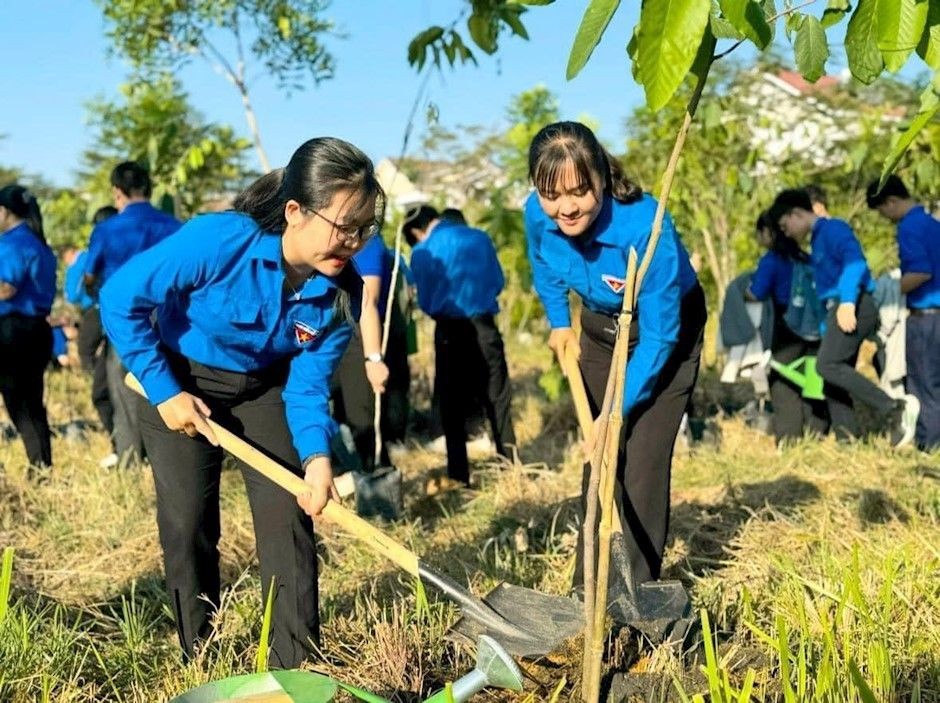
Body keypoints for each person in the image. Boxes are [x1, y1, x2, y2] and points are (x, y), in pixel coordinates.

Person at [99, 137, 385, 668]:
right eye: (344, 225)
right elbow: (119, 298)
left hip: (261, 390)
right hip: (178, 379)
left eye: (364, 229)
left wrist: (317, 459)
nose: (353, 242)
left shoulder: (338, 296)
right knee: (188, 522)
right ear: (295, 211)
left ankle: (296, 665)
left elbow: (306, 389)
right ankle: (199, 651)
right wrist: (166, 391)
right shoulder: (220, 240)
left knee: (289, 514)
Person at [524, 121, 706, 592]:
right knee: (600, 454)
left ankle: (637, 594)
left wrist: (615, 410)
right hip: (600, 330)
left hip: (663, 334)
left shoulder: (646, 227)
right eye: (551, 195)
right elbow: (543, 265)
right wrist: (559, 322)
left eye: (579, 192)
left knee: (642, 459)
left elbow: (662, 335)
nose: (566, 208)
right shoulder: (537, 214)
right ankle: (587, 589)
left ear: (602, 178)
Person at [770, 188, 918, 445]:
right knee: (832, 381)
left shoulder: (833, 229)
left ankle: (895, 408)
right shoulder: (817, 240)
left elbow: (856, 262)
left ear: (797, 214)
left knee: (826, 365)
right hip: (839, 308)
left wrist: (848, 302)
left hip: (856, 304)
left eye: (785, 226)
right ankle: (848, 442)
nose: (787, 233)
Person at [402, 204, 516, 489]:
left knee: (451, 404)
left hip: (449, 330)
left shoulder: (422, 251)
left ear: (417, 230)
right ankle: (510, 465)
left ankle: (459, 475)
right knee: (498, 396)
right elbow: (498, 282)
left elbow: (425, 300)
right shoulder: (480, 237)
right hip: (484, 325)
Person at [86, 163, 182, 466]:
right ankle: (167, 458)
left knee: (124, 390)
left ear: (117, 191)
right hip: (169, 320)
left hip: (126, 321)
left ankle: (131, 461)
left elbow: (89, 275)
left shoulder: (106, 230)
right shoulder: (173, 225)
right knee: (168, 385)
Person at [867, 175, 939, 450]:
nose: (884, 217)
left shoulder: (909, 227)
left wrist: (892, 288)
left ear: (891, 202)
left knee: (924, 385)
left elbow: (920, 272)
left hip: (926, 317)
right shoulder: (932, 223)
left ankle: (930, 445)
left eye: (881, 210)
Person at [745, 211, 829, 443]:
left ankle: (790, 439)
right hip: (815, 326)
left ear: (768, 232)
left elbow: (756, 293)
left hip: (787, 326)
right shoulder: (806, 258)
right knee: (812, 378)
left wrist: (742, 290)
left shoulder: (771, 260)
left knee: (783, 381)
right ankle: (817, 434)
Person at [331, 231, 410, 474]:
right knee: (341, 419)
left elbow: (367, 301)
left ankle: (378, 483)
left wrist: (373, 358)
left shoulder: (365, 242)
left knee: (363, 421)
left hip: (357, 335)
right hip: (330, 335)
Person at [0, 185, 56, 470]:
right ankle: (42, 465)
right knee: (32, 402)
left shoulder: (12, 244)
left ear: (4, 212)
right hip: (37, 330)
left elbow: (6, 288)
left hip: (14, 331)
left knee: (20, 403)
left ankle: (39, 466)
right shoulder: (39, 243)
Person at [65, 205, 119, 461]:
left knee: (103, 389)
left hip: (101, 313)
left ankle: (123, 448)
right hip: (124, 321)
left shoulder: (95, 252)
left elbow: (76, 291)